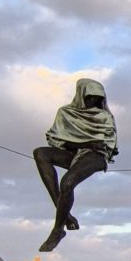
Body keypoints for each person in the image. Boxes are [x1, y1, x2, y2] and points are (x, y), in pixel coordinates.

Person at [33, 78, 118, 252]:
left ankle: (57, 230)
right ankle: (65, 213)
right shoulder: (65, 113)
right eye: (90, 97)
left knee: (68, 182)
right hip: (73, 153)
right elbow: (55, 140)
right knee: (40, 153)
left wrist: (88, 146)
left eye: (97, 98)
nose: (94, 101)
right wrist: (83, 144)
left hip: (96, 156)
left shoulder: (104, 116)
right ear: (80, 96)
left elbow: (106, 144)